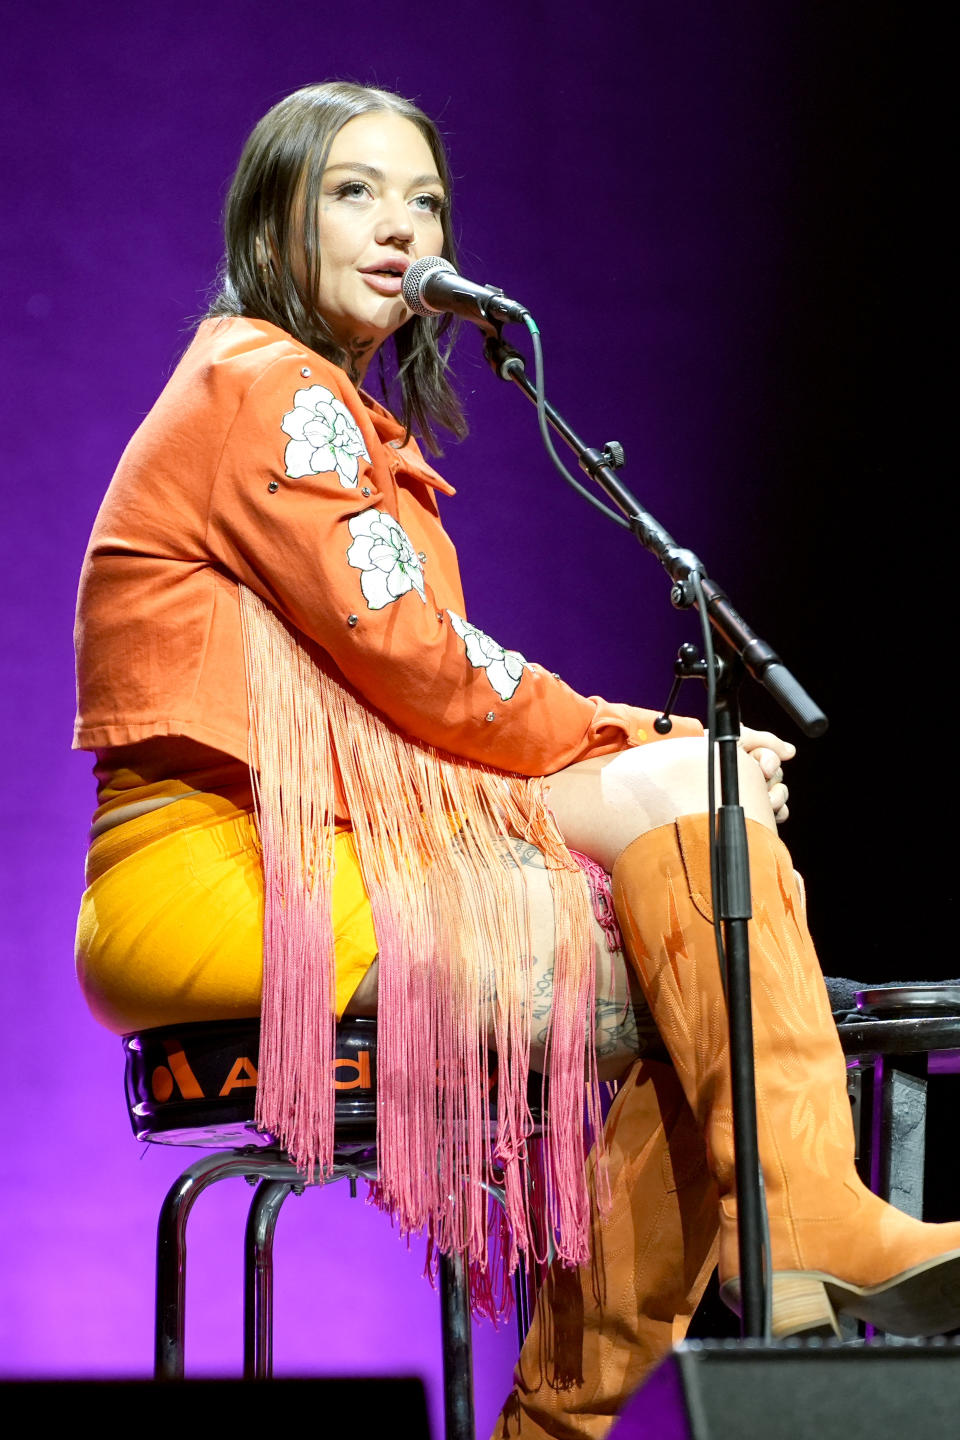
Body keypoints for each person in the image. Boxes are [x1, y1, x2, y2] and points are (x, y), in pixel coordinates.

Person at [73, 82, 960, 1438]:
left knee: (700, 974)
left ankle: (747, 1262)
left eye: (423, 198)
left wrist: (661, 761)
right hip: (216, 885)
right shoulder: (265, 392)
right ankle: (790, 1232)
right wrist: (654, 737)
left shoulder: (329, 415)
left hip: (332, 857)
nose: (401, 226)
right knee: (700, 928)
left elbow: (418, 692)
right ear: (270, 221)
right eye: (355, 191)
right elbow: (425, 666)